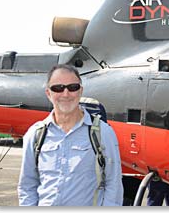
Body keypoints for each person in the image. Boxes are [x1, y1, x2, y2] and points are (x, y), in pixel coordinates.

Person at [18, 64, 124, 206]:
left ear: (80, 91)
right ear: (49, 94)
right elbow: (27, 185)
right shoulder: (35, 135)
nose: (66, 94)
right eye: (58, 88)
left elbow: (113, 185)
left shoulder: (103, 133)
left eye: (72, 87)